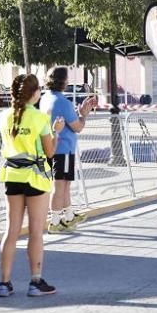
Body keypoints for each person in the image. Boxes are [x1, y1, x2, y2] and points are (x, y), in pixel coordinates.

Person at [0, 74, 65, 298]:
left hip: (12, 175)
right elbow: (50, 152)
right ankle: (35, 281)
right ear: (34, 94)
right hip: (35, 178)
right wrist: (56, 131)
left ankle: (4, 283)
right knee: (36, 231)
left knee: (11, 230)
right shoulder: (39, 118)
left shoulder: (5, 116)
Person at [41, 67, 97, 232]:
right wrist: (83, 114)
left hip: (53, 147)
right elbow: (78, 127)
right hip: (64, 149)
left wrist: (78, 113)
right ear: (63, 81)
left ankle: (69, 216)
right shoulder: (63, 103)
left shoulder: (46, 98)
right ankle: (55, 221)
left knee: (64, 185)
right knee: (60, 186)